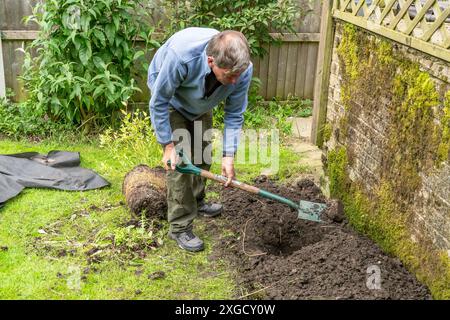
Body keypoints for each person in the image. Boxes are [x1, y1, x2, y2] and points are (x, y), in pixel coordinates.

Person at [147, 27, 253, 252]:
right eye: (229, 76)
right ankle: (180, 225)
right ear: (211, 61)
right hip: (171, 98)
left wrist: (228, 155)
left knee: (203, 153)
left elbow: (234, 113)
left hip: (201, 101)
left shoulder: (242, 70)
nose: (235, 82)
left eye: (238, 75)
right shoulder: (182, 56)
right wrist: (168, 145)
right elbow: (159, 101)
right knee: (181, 163)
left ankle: (197, 200)